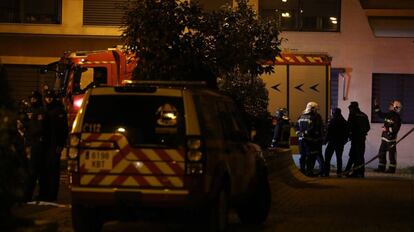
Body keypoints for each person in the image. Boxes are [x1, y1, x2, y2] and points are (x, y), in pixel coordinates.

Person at [44, 90, 68, 201]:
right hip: (47, 144)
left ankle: (52, 195)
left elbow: (63, 130)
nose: (48, 99)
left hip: (54, 145)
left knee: (53, 170)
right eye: (47, 97)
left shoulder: (59, 111)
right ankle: (47, 194)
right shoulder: (47, 110)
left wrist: (60, 144)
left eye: (50, 97)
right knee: (47, 169)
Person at [25, 90, 48, 201]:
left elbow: (39, 128)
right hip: (34, 143)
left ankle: (29, 194)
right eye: (31, 98)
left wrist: (31, 134)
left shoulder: (40, 111)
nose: (32, 100)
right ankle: (36, 194)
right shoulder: (34, 110)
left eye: (34, 98)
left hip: (37, 144)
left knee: (34, 170)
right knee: (35, 170)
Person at [296, 102, 325, 176]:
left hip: (301, 140)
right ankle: (309, 172)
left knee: (302, 156)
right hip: (309, 140)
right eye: (315, 109)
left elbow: (296, 126)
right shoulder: (315, 117)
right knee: (310, 156)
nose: (316, 111)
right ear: (312, 109)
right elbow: (314, 128)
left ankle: (302, 171)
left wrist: (299, 133)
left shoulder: (301, 116)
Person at [373, 100, 402, 173]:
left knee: (391, 155)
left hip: (391, 139)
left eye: (391, 105)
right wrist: (376, 106)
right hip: (384, 138)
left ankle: (392, 169)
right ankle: (381, 168)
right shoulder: (388, 114)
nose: (389, 106)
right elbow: (379, 114)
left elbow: (396, 129)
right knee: (381, 153)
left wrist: (387, 129)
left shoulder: (397, 117)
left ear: (395, 107)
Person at [344, 101, 370, 178]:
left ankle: (348, 172)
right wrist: (362, 133)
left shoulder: (352, 114)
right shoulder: (364, 115)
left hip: (355, 139)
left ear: (352, 108)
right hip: (362, 139)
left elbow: (349, 126)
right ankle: (360, 173)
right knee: (360, 156)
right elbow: (368, 127)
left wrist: (348, 135)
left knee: (352, 155)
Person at [323, 108, 348, 177]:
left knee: (327, 157)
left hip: (332, 142)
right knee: (339, 158)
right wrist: (344, 141)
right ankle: (339, 173)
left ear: (333, 113)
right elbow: (347, 133)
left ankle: (326, 172)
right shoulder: (344, 121)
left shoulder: (332, 121)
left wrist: (325, 141)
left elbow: (329, 132)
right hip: (340, 142)